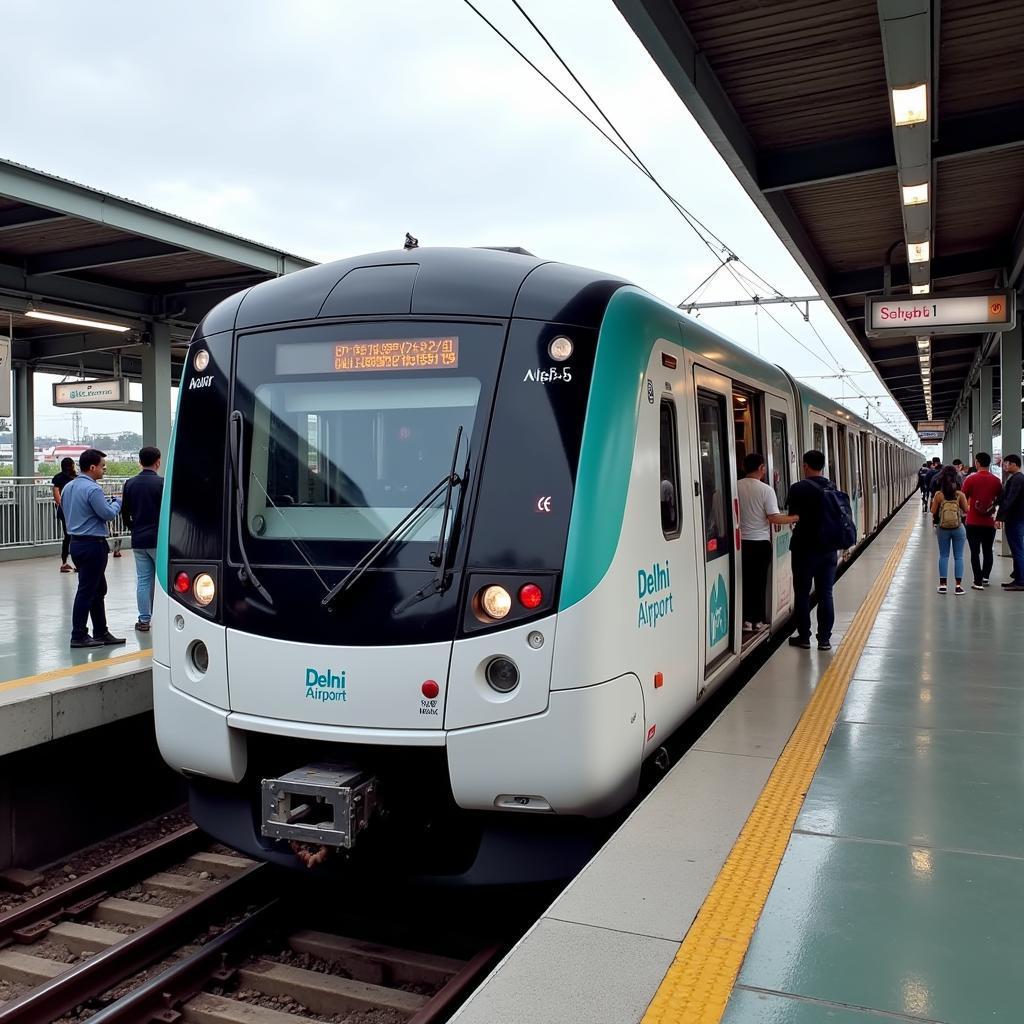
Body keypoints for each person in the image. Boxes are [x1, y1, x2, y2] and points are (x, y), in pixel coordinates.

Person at [59, 449, 124, 649]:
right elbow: (107, 514)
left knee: (97, 588)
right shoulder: (93, 489)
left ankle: (101, 631)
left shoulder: (69, 487)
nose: (104, 469)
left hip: (76, 543)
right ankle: (78, 634)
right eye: (102, 466)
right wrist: (117, 503)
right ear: (92, 467)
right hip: (92, 544)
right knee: (87, 590)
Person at [737, 452, 799, 631]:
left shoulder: (735, 487)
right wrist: (795, 517)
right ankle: (756, 621)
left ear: (743, 467)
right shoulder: (765, 490)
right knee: (759, 582)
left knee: (745, 583)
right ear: (762, 468)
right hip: (760, 544)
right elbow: (774, 518)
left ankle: (745, 621)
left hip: (741, 544)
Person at [786, 450, 839, 651]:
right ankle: (824, 639)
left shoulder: (798, 488)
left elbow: (793, 515)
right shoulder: (831, 486)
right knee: (826, 593)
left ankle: (804, 637)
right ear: (823, 466)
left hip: (803, 548)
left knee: (802, 593)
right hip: (828, 548)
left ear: (805, 465)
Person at [121, 446, 164, 632]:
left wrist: (133, 528)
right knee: (161, 579)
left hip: (138, 539)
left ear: (140, 462)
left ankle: (144, 619)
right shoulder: (163, 484)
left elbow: (124, 512)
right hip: (159, 539)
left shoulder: (130, 484)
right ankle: (160, 616)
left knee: (143, 579)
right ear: (158, 461)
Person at [962, 452, 1002, 590]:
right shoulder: (996, 480)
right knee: (987, 550)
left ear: (977, 462)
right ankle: (985, 577)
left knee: (974, 552)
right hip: (989, 522)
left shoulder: (970, 479)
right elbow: (1000, 499)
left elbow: (962, 497)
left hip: (972, 521)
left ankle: (977, 581)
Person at [930, 466, 969, 595]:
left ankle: (943, 585)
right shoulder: (960, 495)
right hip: (959, 528)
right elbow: (966, 510)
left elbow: (933, 511)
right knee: (958, 557)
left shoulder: (938, 495)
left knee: (944, 556)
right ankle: (958, 586)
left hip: (943, 528)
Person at [996, 454, 1024, 591]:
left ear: (1014, 464)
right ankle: (1018, 578)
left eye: (1007, 463)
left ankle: (1021, 580)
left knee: (1018, 549)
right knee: (1015, 549)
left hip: (1016, 519)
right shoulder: (1014, 478)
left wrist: (999, 517)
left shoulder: (1018, 479)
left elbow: (1010, 499)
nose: (1005, 465)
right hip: (1014, 518)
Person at [51, 456, 77, 573]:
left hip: (64, 511)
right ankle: (78, 563)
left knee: (67, 536)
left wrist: (62, 506)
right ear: (72, 466)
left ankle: (64, 562)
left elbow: (57, 495)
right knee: (77, 536)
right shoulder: (76, 478)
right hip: (77, 510)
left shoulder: (58, 478)